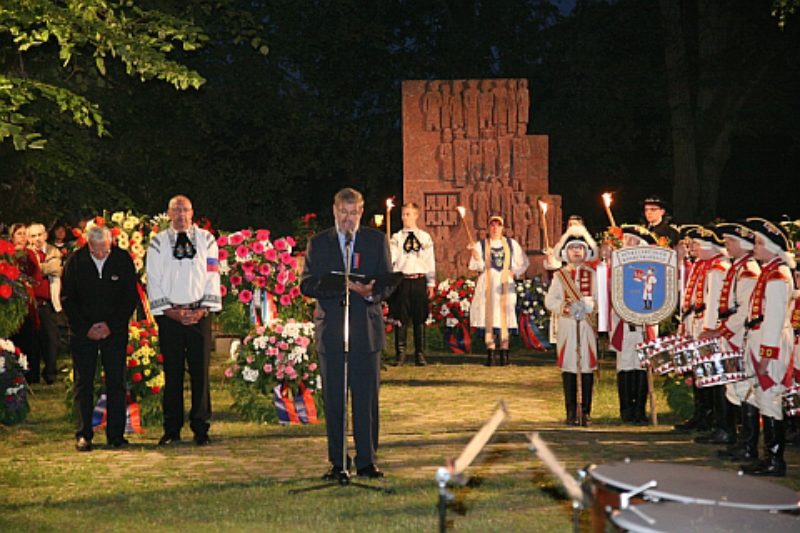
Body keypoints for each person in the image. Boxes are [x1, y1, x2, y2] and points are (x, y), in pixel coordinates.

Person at [300, 187, 394, 481]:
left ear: (361, 213)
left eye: (354, 213)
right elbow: (306, 284)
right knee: (335, 399)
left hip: (365, 330)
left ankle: (367, 461)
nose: (348, 218)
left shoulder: (376, 241)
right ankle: (338, 461)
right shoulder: (319, 243)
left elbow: (387, 282)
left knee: (366, 399)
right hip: (332, 331)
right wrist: (337, 286)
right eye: (343, 212)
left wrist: (370, 292)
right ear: (334, 210)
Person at [146, 195, 221, 446]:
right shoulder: (157, 243)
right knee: (173, 373)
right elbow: (153, 279)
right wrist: (169, 311)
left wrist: (202, 310)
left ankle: (201, 427)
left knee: (200, 373)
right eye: (176, 210)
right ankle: (172, 428)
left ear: (192, 212)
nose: (181, 214)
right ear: (168, 213)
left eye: (185, 210)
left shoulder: (207, 240)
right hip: (170, 317)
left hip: (199, 315)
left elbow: (212, 275)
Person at [61, 225, 138, 452]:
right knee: (84, 382)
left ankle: (116, 435)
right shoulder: (75, 262)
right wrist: (86, 328)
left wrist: (110, 326)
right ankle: (84, 434)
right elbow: (67, 298)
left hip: (113, 333)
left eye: (106, 249)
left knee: (116, 381)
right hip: (83, 334)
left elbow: (129, 297)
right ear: (88, 245)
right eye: (97, 251)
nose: (102, 254)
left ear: (111, 243)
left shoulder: (122, 260)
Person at [739, 218, 795, 477]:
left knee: (771, 400)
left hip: (769, 344)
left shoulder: (777, 277)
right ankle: (768, 457)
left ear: (773, 247)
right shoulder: (770, 272)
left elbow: (773, 320)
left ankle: (775, 460)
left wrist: (766, 355)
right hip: (760, 341)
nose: (755, 247)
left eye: (760, 243)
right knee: (762, 398)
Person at [706, 223, 760, 460]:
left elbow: (745, 310)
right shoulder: (738, 268)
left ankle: (747, 444)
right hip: (731, 334)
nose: (726, 245)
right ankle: (739, 439)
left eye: (730, 241)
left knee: (744, 389)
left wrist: (722, 330)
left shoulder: (748, 271)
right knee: (733, 388)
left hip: (738, 336)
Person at [545, 222, 598, 426]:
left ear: (586, 252)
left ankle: (585, 411)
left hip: (586, 325)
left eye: (580, 248)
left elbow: (599, 299)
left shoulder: (593, 275)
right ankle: (570, 411)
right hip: (567, 326)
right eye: (573, 248)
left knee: (586, 367)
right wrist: (565, 309)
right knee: (569, 367)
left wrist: (590, 305)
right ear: (566, 252)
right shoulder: (560, 276)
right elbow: (550, 301)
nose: (577, 251)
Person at [609, 225, 658, 424]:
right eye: (626, 240)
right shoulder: (618, 266)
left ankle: (640, 409)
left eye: (632, 240)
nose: (627, 244)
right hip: (623, 322)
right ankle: (626, 409)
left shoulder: (652, 267)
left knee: (641, 364)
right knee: (625, 365)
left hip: (644, 323)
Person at [468, 215, 529, 366]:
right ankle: (490, 353)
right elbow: (477, 266)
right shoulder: (481, 245)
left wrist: (515, 272)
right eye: (492, 225)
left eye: (498, 225)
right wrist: (476, 257)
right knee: (488, 316)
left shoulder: (511, 244)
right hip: (487, 283)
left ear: (502, 228)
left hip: (504, 283)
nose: (495, 228)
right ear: (488, 228)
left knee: (504, 316)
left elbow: (523, 262)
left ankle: (504, 353)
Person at [388, 202, 435, 366]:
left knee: (419, 317)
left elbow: (430, 260)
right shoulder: (397, 237)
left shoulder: (424, 237)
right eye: (403, 214)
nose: (405, 218)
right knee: (401, 317)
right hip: (402, 280)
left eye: (408, 214)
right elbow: (392, 259)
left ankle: (419, 353)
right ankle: (400, 354)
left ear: (416, 215)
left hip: (419, 280)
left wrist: (431, 283)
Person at [8, 224, 44, 383]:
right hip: (12, 301)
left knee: (30, 337)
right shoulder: (7, 253)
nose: (22, 237)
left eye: (24, 234)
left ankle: (32, 373)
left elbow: (36, 276)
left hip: (28, 302)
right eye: (19, 234)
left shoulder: (29, 254)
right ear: (13, 236)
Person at [27, 222, 62, 384]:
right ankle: (32, 374)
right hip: (30, 304)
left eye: (39, 235)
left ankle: (50, 373)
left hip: (48, 303)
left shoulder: (53, 251)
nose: (37, 239)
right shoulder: (26, 253)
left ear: (46, 235)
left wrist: (37, 268)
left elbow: (56, 269)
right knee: (32, 340)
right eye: (33, 236)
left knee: (51, 339)